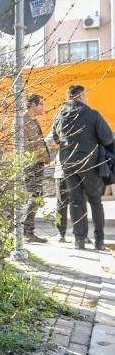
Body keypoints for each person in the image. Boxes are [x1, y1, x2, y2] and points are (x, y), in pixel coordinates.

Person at [51, 85, 113, 250]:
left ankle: (79, 240)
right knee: (95, 201)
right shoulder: (93, 115)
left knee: (76, 202)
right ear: (81, 96)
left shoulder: (59, 116)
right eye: (85, 95)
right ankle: (99, 241)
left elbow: (56, 138)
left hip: (68, 165)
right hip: (90, 164)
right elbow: (107, 139)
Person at [22, 94, 52, 243]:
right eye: (41, 104)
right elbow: (26, 146)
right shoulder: (23, 121)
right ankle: (26, 232)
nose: (43, 107)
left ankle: (27, 231)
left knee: (37, 197)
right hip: (31, 165)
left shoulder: (32, 121)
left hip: (37, 164)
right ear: (33, 105)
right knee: (35, 197)